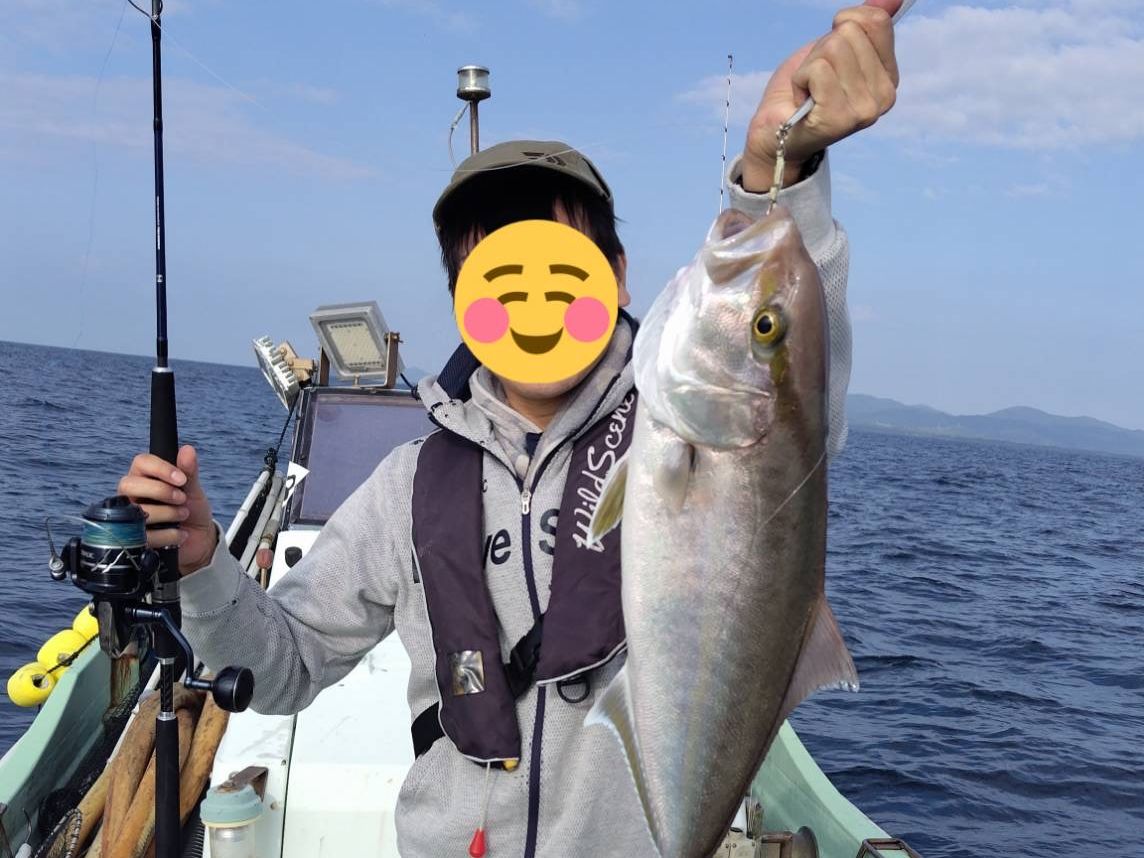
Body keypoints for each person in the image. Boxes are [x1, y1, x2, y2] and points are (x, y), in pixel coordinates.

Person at [117, 3, 903, 854]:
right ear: (465, 298)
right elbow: (284, 666)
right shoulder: (408, 486)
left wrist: (777, 171)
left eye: (561, 267)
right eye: (500, 271)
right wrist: (202, 564)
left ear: (617, 276)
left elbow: (786, 375)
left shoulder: (691, 428)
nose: (535, 298)